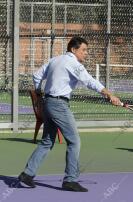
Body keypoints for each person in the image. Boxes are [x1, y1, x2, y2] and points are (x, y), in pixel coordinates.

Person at [18, 36, 121, 192]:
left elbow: (37, 75)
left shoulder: (55, 60)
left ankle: (27, 174)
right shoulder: (73, 63)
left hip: (48, 104)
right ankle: (70, 180)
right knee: (74, 142)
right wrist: (109, 94)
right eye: (84, 50)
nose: (86, 53)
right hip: (59, 105)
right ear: (73, 49)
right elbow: (89, 81)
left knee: (47, 142)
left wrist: (39, 92)